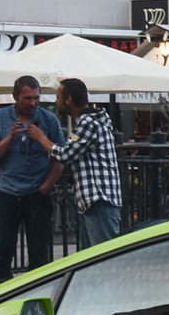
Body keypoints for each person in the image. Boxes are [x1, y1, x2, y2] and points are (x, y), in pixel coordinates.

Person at [0, 76, 63, 284]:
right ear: (15, 96)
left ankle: (39, 293)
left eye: (36, 97)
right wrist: (9, 139)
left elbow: (61, 156)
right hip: (8, 192)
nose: (32, 103)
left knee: (40, 252)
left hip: (38, 192)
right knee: (2, 250)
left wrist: (47, 186)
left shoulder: (48, 119)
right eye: (27, 98)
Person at [41, 77, 123, 249]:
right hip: (94, 201)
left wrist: (41, 138)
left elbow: (66, 155)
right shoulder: (91, 121)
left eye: (58, 97)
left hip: (99, 199)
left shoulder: (87, 123)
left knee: (103, 256)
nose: (56, 102)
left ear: (68, 99)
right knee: (89, 260)